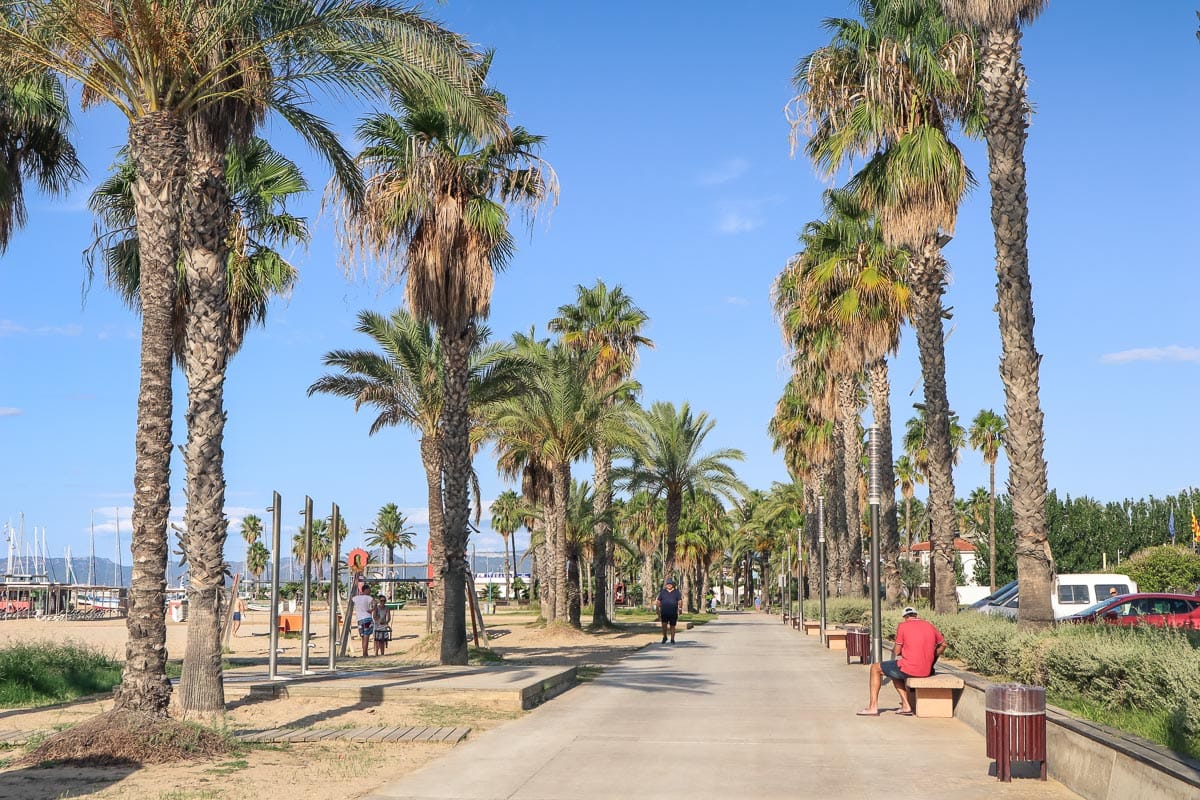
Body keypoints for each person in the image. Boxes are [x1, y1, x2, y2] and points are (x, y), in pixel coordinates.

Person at [858, 606, 946, 716]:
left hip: (911, 668)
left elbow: (897, 651)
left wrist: (898, 649)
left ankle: (872, 707)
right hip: (926, 670)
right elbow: (943, 644)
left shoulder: (903, 626)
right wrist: (933, 656)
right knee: (893, 670)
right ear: (916, 615)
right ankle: (906, 705)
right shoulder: (929, 625)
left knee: (875, 668)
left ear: (905, 617)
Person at [654, 578, 683, 644]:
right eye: (668, 584)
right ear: (666, 585)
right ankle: (665, 637)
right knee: (664, 625)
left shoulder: (676, 592)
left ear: (672, 584)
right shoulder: (662, 592)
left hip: (673, 612)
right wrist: (657, 609)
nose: (669, 585)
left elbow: (680, 601)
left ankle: (672, 639)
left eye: (670, 584)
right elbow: (658, 601)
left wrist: (680, 608)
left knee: (672, 626)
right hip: (664, 612)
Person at [351, 583, 375, 657]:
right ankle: (365, 653)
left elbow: (351, 598)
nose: (370, 591)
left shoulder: (356, 598)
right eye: (369, 590)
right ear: (366, 590)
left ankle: (364, 653)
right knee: (366, 636)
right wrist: (372, 610)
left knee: (362, 636)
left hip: (359, 619)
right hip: (367, 618)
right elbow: (375, 603)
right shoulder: (368, 597)